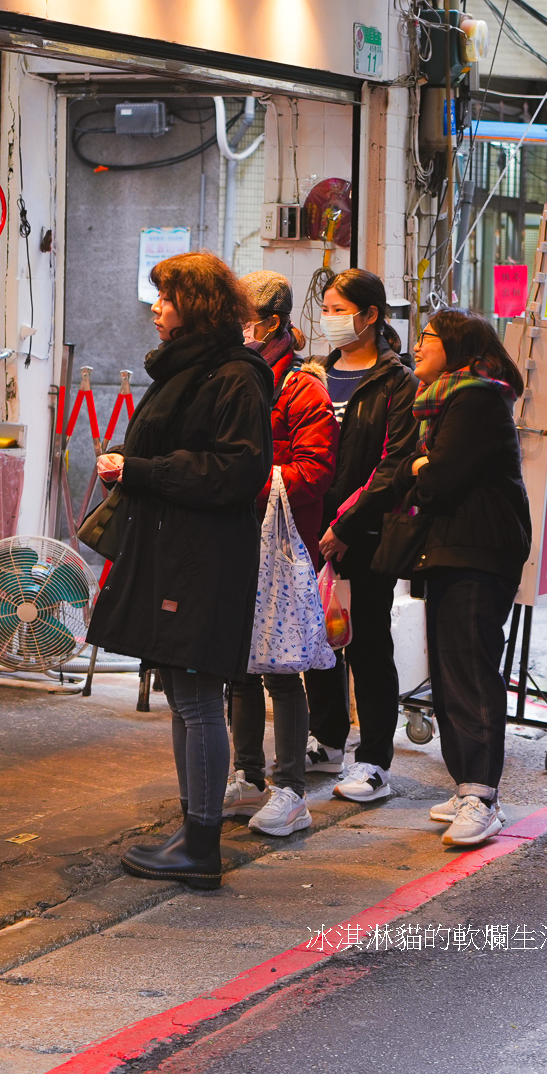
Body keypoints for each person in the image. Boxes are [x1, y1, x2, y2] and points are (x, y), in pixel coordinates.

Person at [88, 253, 273, 889]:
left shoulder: (233, 376)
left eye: (166, 297)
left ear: (195, 305)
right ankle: (193, 826)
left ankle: (202, 846)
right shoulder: (190, 369)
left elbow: (236, 471)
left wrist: (138, 471)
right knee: (185, 697)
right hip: (176, 552)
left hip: (203, 559)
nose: (156, 308)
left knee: (196, 699)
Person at [393, 310, 530, 847]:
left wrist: (418, 468)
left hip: (479, 550)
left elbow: (439, 481)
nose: (419, 345)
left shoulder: (475, 398)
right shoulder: (445, 399)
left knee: (469, 671)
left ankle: (482, 795)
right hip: (453, 550)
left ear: (458, 347)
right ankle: (466, 784)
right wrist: (419, 468)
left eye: (428, 337)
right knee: (450, 672)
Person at [221, 271, 337, 838]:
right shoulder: (236, 376)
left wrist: (249, 478)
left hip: (286, 548)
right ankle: (248, 775)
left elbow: (314, 471)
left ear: (272, 323)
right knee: (238, 666)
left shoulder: (302, 388)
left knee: (282, 668)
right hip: (237, 538)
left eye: (244, 316)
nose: (235, 325)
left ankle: (291, 788)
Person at [308, 270, 419, 803]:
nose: (330, 318)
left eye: (338, 308)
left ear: (370, 314)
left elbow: (395, 463)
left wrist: (347, 526)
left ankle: (373, 760)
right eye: (325, 308)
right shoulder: (314, 375)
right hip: (308, 531)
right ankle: (327, 739)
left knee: (367, 643)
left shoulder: (398, 382)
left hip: (364, 533)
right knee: (317, 639)